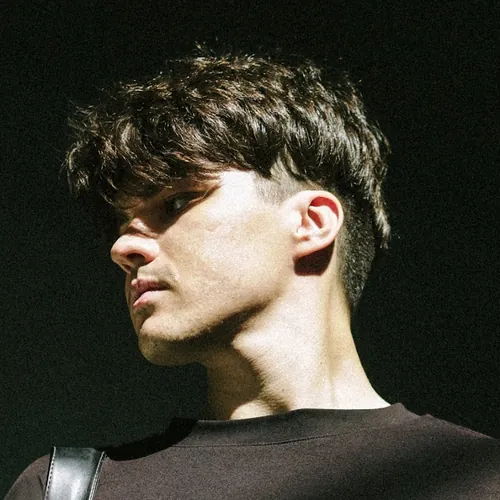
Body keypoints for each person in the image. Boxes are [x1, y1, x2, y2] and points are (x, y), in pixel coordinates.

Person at [5, 52, 500, 499]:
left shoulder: (482, 481)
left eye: (175, 202)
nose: (123, 249)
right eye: (122, 225)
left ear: (311, 223)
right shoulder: (65, 491)